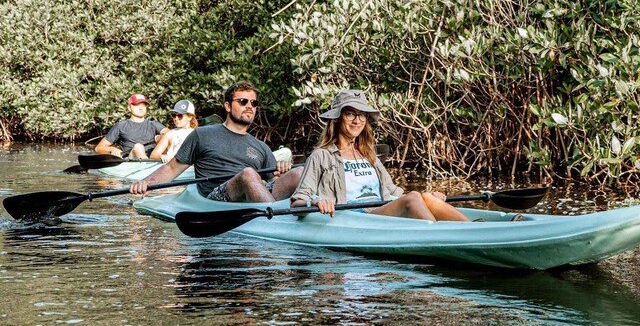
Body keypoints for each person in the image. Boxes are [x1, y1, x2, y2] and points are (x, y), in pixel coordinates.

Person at [291, 89, 472, 222]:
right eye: (350, 114)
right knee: (413, 198)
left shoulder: (369, 154)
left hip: (381, 211)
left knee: (423, 196)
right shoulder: (320, 156)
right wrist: (316, 201)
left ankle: (471, 228)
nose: (357, 120)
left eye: (362, 115)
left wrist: (429, 197)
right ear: (337, 118)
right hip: (354, 218)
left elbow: (394, 193)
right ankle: (442, 235)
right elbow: (297, 202)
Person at [129, 81, 302, 202]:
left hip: (256, 197)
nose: (249, 106)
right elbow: (172, 168)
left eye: (253, 103)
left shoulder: (262, 147)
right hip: (215, 197)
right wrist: (147, 183)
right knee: (248, 174)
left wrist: (283, 170)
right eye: (242, 101)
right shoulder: (201, 135)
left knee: (299, 172)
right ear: (227, 106)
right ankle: (273, 218)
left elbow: (274, 182)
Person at [95, 94, 167, 159]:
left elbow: (169, 133)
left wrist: (162, 138)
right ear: (129, 108)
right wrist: (112, 149)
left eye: (143, 105)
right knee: (138, 147)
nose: (141, 108)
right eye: (137, 105)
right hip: (130, 159)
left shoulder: (154, 124)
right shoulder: (120, 126)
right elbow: (98, 148)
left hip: (152, 159)